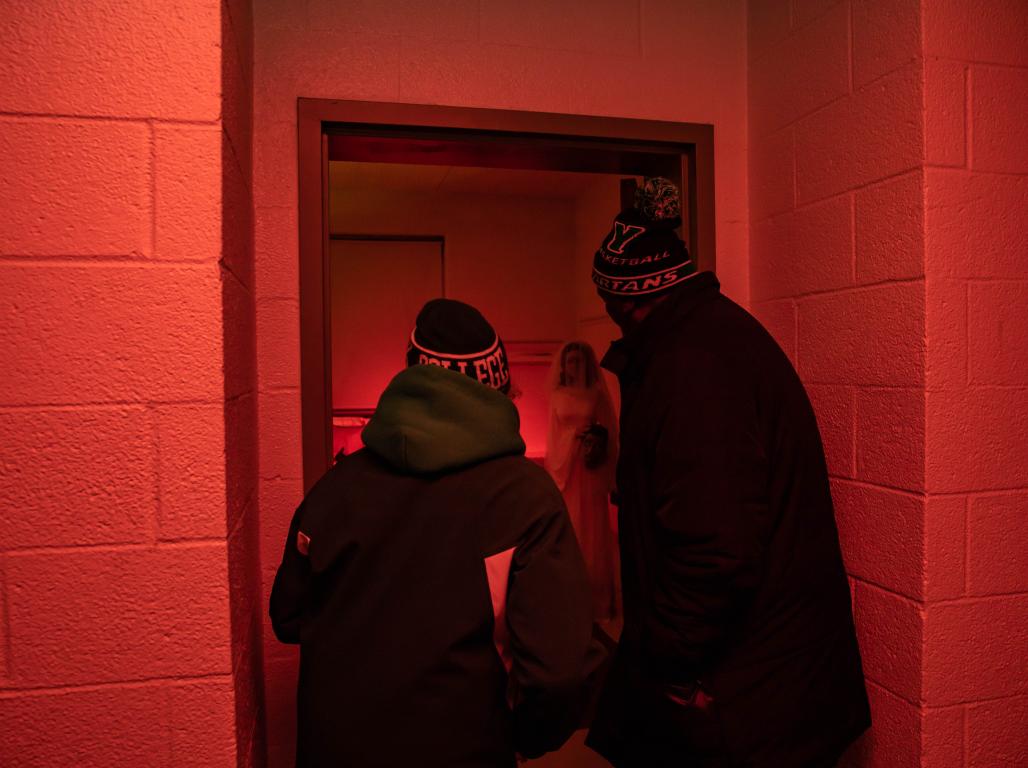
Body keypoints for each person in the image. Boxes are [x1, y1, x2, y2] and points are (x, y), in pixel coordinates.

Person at [585, 178, 871, 767]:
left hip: (750, 699)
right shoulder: (710, 337)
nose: (612, 321)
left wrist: (671, 673)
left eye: (611, 307)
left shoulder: (694, 369)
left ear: (630, 301)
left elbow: (716, 550)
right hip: (766, 685)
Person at [270, 298, 601, 768]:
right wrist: (519, 737)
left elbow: (287, 618)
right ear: (498, 390)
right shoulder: (525, 498)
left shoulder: (336, 487)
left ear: (411, 380)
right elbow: (560, 672)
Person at [545, 341, 619, 622]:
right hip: (566, 471)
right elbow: (554, 436)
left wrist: (594, 439)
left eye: (579, 360)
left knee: (592, 530)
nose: (574, 366)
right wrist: (571, 438)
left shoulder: (596, 394)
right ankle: (569, 599)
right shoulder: (557, 396)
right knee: (571, 527)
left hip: (588, 471)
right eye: (570, 361)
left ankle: (597, 601)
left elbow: (609, 430)